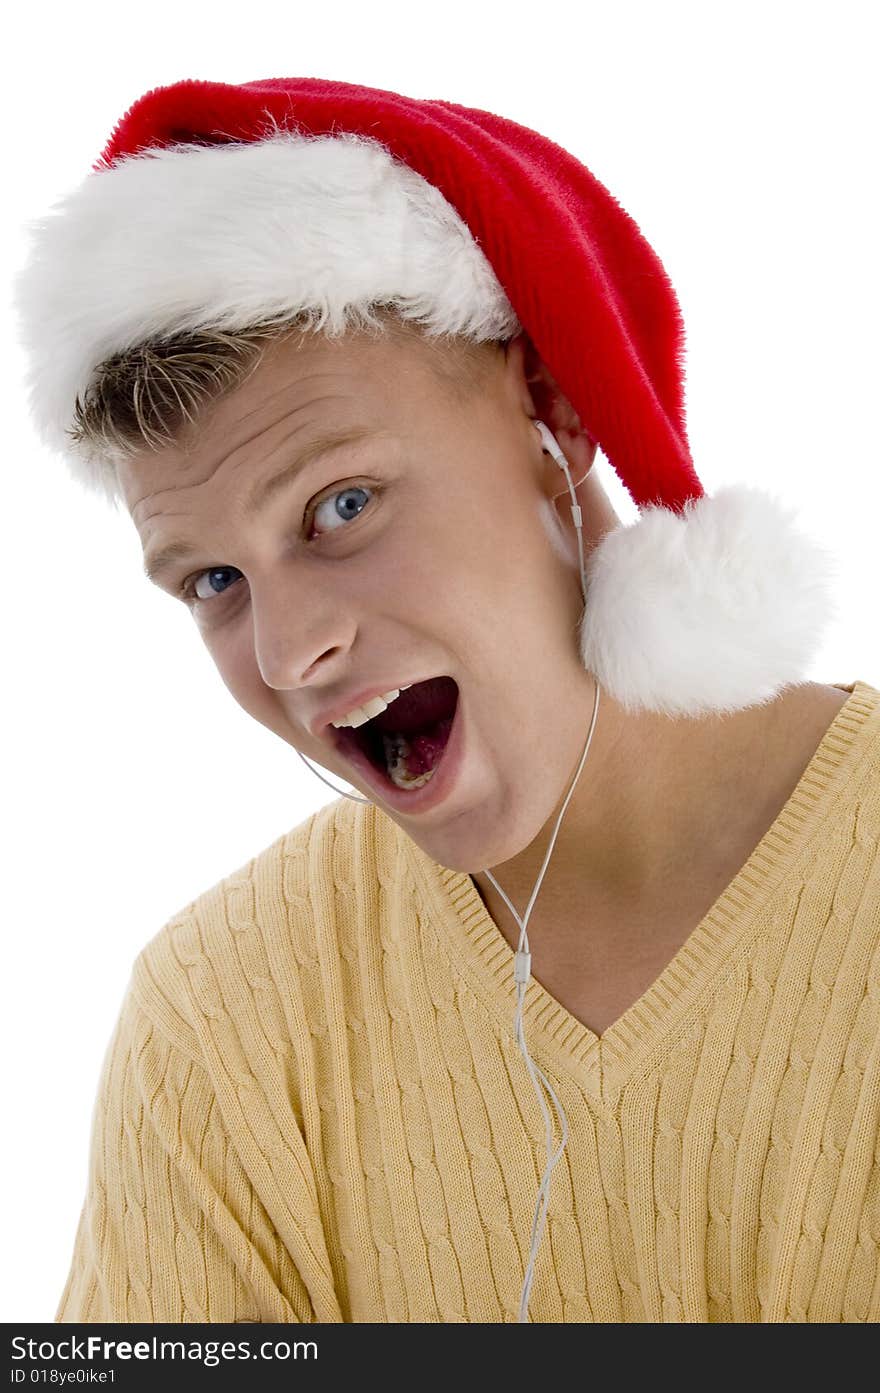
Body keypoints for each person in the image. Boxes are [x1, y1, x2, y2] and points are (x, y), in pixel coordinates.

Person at [14, 76, 879, 1325]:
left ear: (555, 412)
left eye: (341, 505)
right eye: (213, 579)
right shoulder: (225, 1019)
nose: (293, 648)